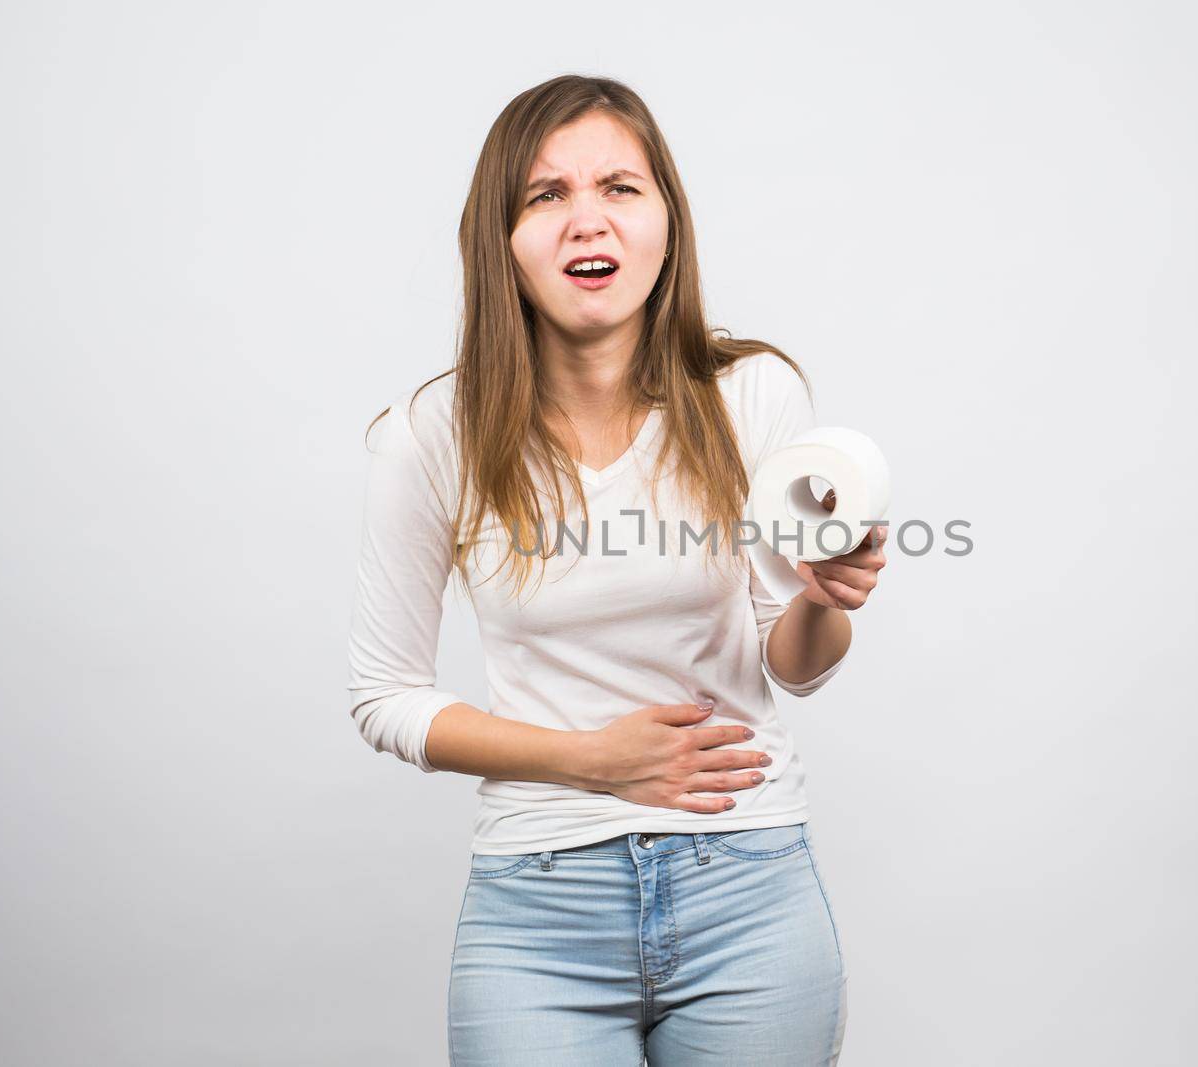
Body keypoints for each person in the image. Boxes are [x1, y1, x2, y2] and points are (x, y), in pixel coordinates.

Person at [344, 74, 886, 1066]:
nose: (584, 217)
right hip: (537, 908)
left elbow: (796, 663)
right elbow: (384, 696)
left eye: (619, 187)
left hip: (749, 888)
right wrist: (590, 759)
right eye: (544, 195)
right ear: (498, 240)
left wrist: (820, 598)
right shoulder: (431, 435)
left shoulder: (751, 395)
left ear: (666, 221)